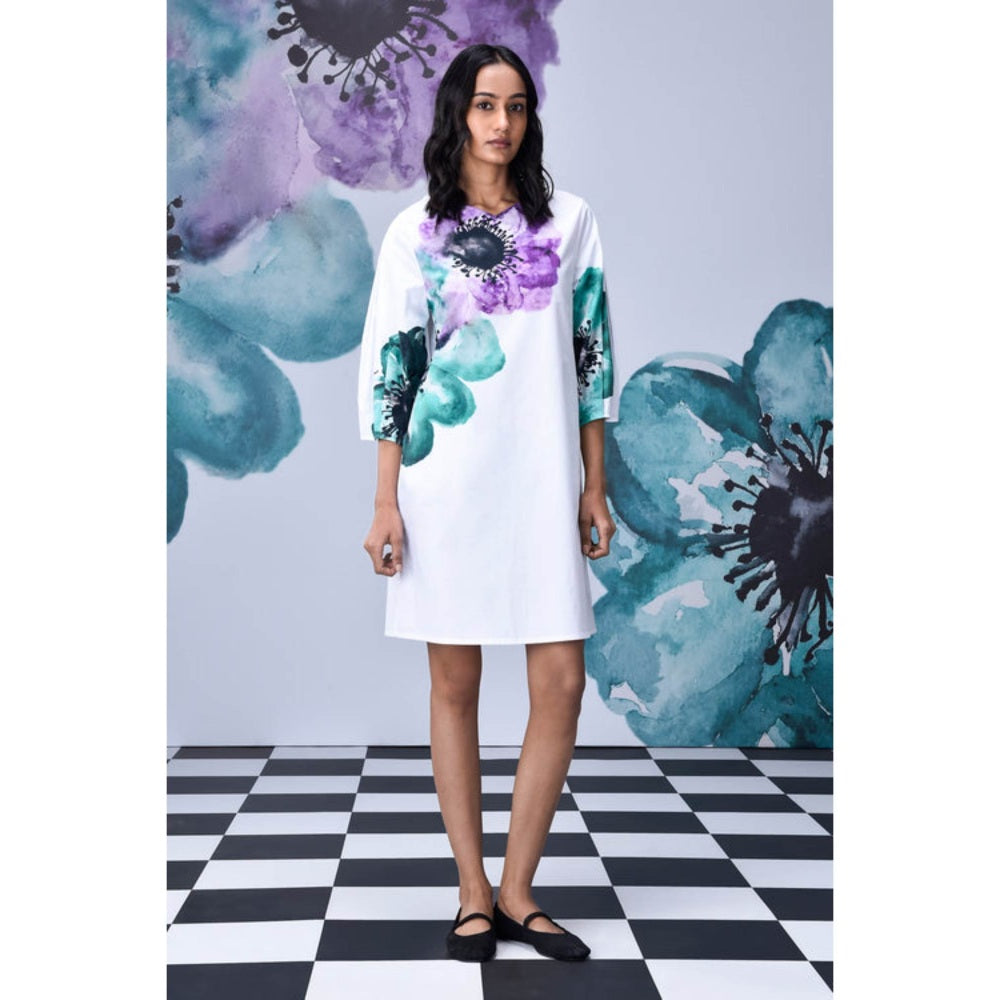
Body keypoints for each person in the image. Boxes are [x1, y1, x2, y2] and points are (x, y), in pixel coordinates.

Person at [358, 43, 619, 963]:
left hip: (545, 477)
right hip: (448, 484)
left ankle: (518, 891)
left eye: (515, 106)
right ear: (457, 115)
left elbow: (591, 360)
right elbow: (394, 371)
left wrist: (594, 483)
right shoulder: (414, 233)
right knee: (454, 684)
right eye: (483, 105)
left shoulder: (571, 222)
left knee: (561, 683)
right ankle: (473, 892)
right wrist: (385, 501)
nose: (501, 123)